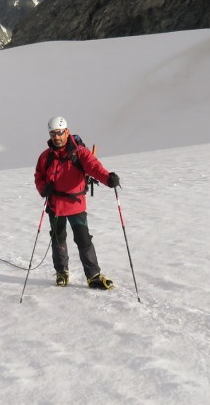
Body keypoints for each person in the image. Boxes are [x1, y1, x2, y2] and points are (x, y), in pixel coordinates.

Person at [34, 116, 120, 289]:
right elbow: (39, 176)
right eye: (53, 134)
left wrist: (108, 179)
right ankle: (61, 272)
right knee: (58, 239)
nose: (56, 137)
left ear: (66, 131)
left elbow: (94, 167)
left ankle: (93, 276)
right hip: (55, 205)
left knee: (83, 240)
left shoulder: (80, 152)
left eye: (59, 133)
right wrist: (43, 189)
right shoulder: (46, 157)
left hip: (76, 204)